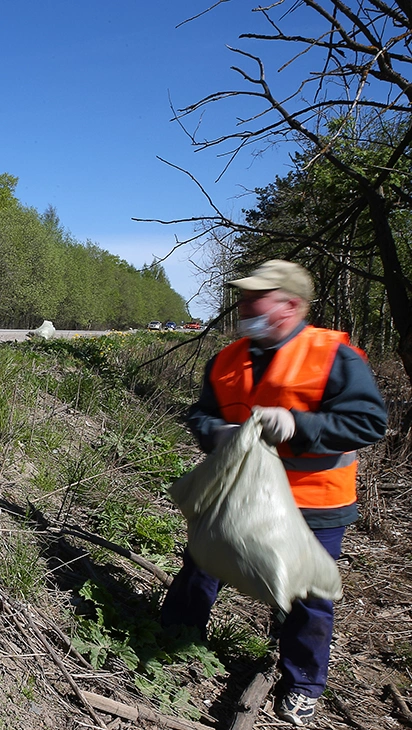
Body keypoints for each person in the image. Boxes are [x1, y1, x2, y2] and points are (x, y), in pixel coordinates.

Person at [160, 260, 387, 726]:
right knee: (202, 563)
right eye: (243, 297)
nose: (244, 305)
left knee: (308, 595)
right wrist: (216, 432)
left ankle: (302, 684)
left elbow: (368, 421)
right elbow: (200, 415)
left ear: (290, 305)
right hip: (240, 492)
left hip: (314, 501)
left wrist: (298, 424)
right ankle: (172, 639)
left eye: (254, 298)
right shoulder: (226, 358)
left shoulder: (334, 356)